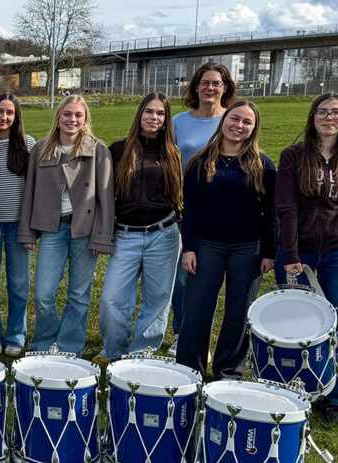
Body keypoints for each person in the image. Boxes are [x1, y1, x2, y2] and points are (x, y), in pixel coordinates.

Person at [275, 93, 338, 424]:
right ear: (312, 116)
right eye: (323, 111)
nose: (329, 117)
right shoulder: (293, 156)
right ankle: (290, 390)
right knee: (291, 324)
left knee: (334, 327)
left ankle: (333, 397)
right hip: (298, 252)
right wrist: (290, 254)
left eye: (336, 112)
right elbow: (287, 208)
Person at [177, 100, 277, 380]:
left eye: (247, 122)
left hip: (249, 248)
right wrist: (189, 248)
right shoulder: (200, 162)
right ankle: (189, 370)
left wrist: (270, 251)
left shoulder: (263, 164)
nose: (239, 126)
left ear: (254, 128)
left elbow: (272, 212)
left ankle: (228, 372)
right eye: (235, 119)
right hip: (207, 246)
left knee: (239, 312)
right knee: (196, 309)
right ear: (224, 121)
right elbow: (190, 210)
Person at [19, 94, 114, 355]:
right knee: (43, 294)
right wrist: (27, 232)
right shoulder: (42, 149)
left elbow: (106, 198)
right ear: (58, 116)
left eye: (78, 115)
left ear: (85, 120)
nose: (72, 119)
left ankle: (70, 348)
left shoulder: (98, 150)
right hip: (52, 229)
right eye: (67, 114)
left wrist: (102, 236)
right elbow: (30, 191)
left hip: (84, 229)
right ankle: (44, 345)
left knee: (78, 295)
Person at [95, 93, 183, 367]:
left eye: (160, 113)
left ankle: (141, 353)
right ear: (140, 114)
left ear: (166, 120)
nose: (154, 117)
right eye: (149, 111)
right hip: (125, 235)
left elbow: (177, 196)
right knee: (112, 299)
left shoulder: (172, 152)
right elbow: (104, 195)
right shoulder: (118, 150)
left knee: (157, 299)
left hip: (163, 235)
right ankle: (114, 350)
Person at [167, 62, 236, 356]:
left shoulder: (232, 120)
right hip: (183, 209)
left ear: (225, 88)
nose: (210, 88)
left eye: (216, 83)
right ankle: (181, 333)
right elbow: (168, 162)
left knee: (207, 279)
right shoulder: (179, 122)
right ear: (195, 87)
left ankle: (201, 337)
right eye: (205, 82)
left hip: (219, 210)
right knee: (182, 277)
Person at [0, 92, 36, 357]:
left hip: (18, 226)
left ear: (16, 116)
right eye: (0, 111)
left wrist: (31, 227)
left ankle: (15, 335)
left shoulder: (27, 144)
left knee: (19, 285)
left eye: (10, 112)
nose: (4, 117)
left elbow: (34, 188)